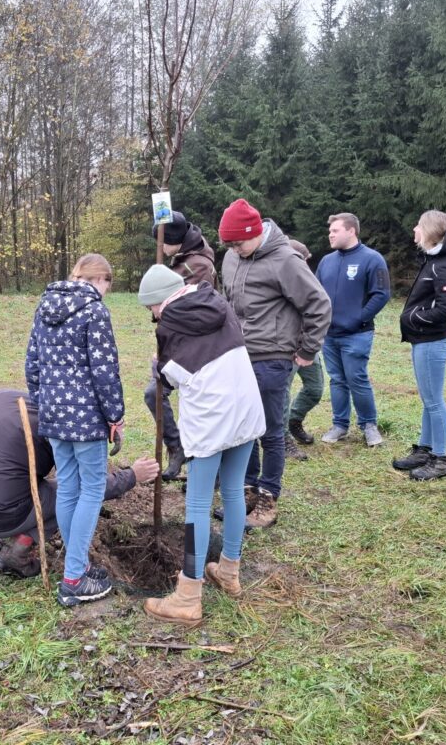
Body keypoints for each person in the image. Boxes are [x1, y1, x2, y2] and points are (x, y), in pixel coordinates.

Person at [137, 265, 265, 626]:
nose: (153, 316)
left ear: (160, 301)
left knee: (197, 502)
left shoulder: (170, 324)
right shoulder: (215, 302)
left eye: (151, 309)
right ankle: (228, 571)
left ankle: (188, 594)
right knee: (234, 492)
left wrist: (157, 366)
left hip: (212, 416)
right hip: (245, 406)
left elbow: (171, 375)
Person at [0, 389, 159, 576]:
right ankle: (16, 553)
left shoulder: (3, 397)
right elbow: (88, 488)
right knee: (68, 494)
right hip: (1, 518)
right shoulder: (64, 428)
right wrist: (132, 475)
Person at [218, 198, 331, 528]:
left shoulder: (285, 260)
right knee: (244, 429)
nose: (235, 249)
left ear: (255, 233)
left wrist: (307, 351)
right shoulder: (231, 257)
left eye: (239, 242)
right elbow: (228, 303)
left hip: (273, 358)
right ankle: (248, 490)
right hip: (238, 356)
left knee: (269, 430)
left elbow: (319, 305)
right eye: (230, 244)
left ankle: (269, 497)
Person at [26, 253, 124, 607]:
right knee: (92, 488)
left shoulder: (45, 304)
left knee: (68, 485)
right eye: (108, 283)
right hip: (86, 419)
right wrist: (116, 416)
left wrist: (42, 402)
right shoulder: (94, 310)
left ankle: (75, 565)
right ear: (101, 279)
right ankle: (73, 578)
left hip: (53, 414)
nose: (107, 290)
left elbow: (32, 362)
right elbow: (104, 370)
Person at [144, 210, 217, 479]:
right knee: (154, 393)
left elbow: (179, 306)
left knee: (198, 405)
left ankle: (209, 468)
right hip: (176, 341)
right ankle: (177, 448)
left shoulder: (196, 265)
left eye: (163, 241)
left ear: (176, 239)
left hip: (197, 347)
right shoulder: (182, 258)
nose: (160, 247)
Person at [392, 210, 446, 481]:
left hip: (433, 342)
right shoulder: (432, 261)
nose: (414, 229)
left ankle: (440, 459)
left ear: (430, 231)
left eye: (419, 226)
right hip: (423, 340)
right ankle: (425, 449)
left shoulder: (443, 265)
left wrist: (413, 318)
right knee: (428, 399)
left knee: (434, 401)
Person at [315, 212, 391, 447]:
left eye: (335, 230)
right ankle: (340, 425)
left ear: (351, 231)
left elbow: (381, 294)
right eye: (330, 231)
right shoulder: (326, 261)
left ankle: (369, 425)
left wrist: (359, 319)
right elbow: (315, 293)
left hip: (357, 334)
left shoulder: (372, 259)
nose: (330, 234)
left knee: (357, 378)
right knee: (337, 380)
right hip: (330, 335)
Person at [282, 239, 326, 460]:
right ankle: (282, 439)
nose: (306, 267)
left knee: (315, 388)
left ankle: (294, 420)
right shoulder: (279, 278)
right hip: (284, 346)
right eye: (303, 262)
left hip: (308, 344)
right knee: (282, 394)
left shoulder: (306, 280)